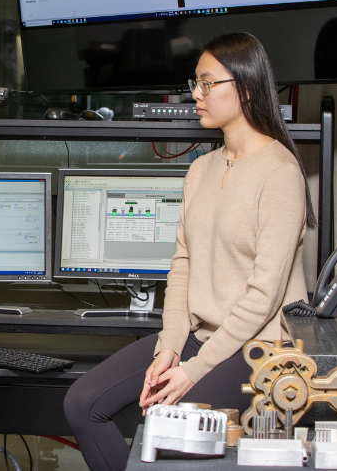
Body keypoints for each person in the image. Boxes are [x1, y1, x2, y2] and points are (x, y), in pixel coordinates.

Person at [63, 32, 317, 471]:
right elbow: (182, 266)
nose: (195, 95)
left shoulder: (280, 173)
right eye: (194, 84)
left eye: (206, 84)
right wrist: (169, 350)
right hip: (199, 336)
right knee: (82, 403)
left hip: (257, 349)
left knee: (166, 429)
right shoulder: (201, 167)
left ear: (247, 87)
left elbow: (264, 296)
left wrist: (193, 371)